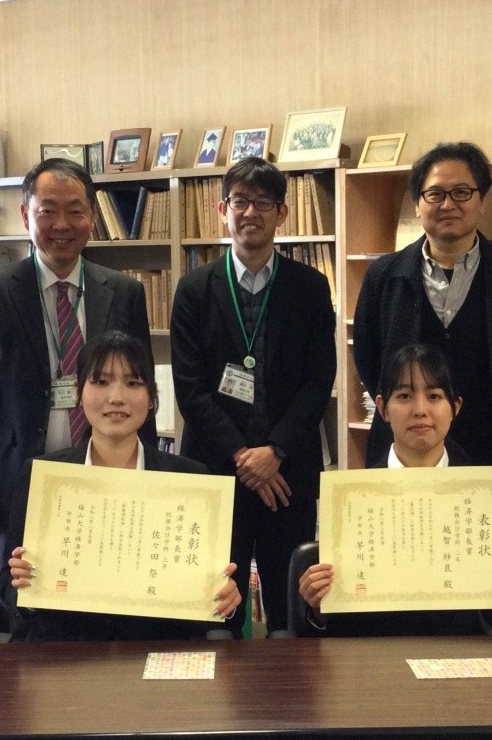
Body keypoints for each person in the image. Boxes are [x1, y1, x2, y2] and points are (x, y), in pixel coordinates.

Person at [171, 157, 336, 636]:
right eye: (240, 201)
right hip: (216, 471)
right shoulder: (194, 289)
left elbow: (318, 381)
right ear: (223, 209)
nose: (250, 213)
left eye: (263, 202)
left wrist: (275, 451)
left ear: (282, 212)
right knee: (214, 606)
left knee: (290, 607)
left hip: (288, 474)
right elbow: (190, 388)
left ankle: (289, 684)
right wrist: (245, 457)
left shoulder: (310, 287)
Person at [3, 330, 241, 641]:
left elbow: (209, 609)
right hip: (66, 654)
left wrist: (225, 600)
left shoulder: (191, 481)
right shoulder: (44, 477)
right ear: (79, 392)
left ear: (152, 397)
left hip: (159, 653)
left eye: (133, 383)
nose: (116, 397)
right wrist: (24, 588)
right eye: (101, 382)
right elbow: (10, 594)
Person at [298, 342, 492, 637]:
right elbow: (334, 625)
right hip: (372, 655)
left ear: (455, 407)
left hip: (458, 655)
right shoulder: (353, 501)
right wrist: (318, 607)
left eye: (434, 396)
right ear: (382, 408)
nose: (420, 410)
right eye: (404, 396)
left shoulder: (484, 499)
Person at [0, 159, 153, 575]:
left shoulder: (125, 291)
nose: (62, 224)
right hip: (19, 475)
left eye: (75, 211)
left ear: (92, 216)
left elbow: (141, 386)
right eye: (47, 210)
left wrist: (147, 477)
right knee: (23, 593)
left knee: (107, 582)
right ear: (26, 215)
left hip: (108, 477)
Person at [352, 141, 492, 476]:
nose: (448, 204)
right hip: (407, 446)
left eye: (461, 192)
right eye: (435, 194)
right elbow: (369, 358)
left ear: (481, 200)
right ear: (417, 204)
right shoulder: (383, 275)